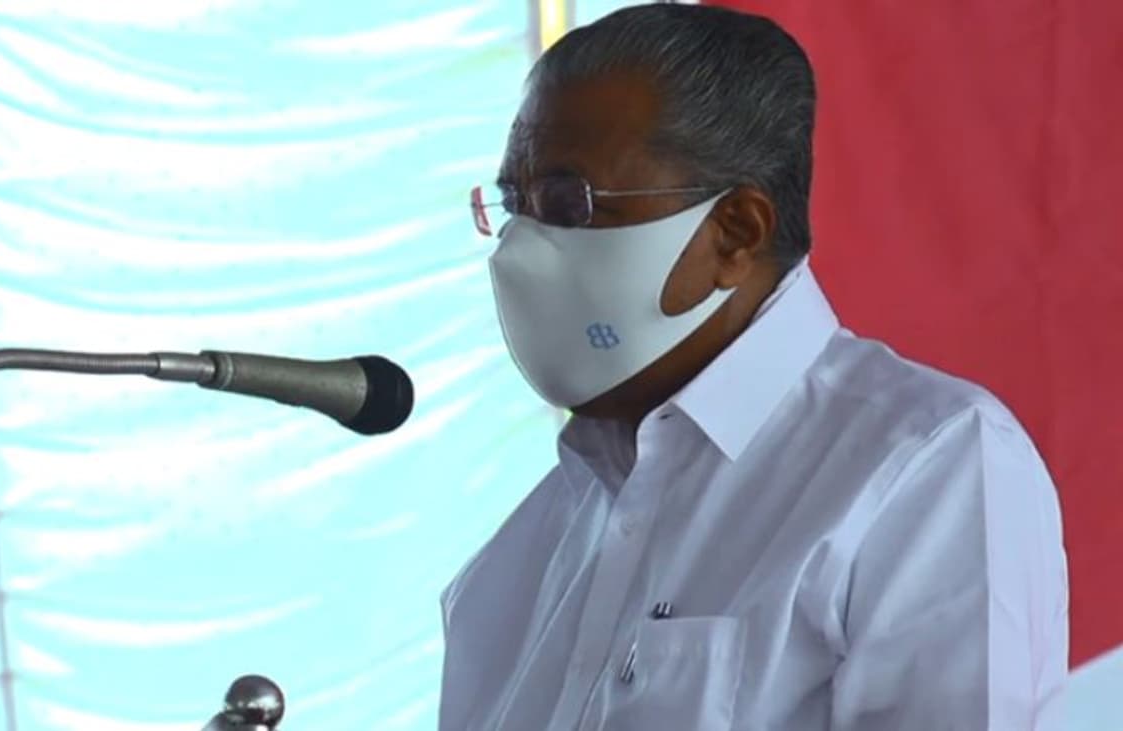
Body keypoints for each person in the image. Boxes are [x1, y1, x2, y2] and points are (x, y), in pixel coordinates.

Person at [439, 4, 1068, 730]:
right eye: (513, 203)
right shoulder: (521, 554)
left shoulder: (929, 467)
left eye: (564, 201)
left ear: (734, 233)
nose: (519, 246)